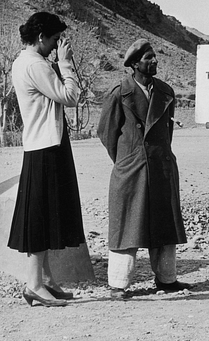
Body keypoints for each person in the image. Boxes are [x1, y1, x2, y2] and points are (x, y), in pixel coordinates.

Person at [98, 39, 192, 299]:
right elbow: (106, 133)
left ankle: (167, 279)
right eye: (148, 58)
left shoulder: (166, 91)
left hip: (161, 166)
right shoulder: (119, 92)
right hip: (131, 169)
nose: (154, 61)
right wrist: (128, 159)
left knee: (165, 224)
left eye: (154, 57)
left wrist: (160, 156)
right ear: (134, 64)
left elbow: (167, 133)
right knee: (127, 225)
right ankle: (118, 284)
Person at [8, 12, 83, 307]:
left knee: (48, 213)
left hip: (42, 143)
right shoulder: (36, 64)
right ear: (41, 37)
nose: (55, 46)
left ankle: (47, 280)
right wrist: (64, 62)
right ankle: (34, 284)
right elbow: (71, 96)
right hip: (46, 146)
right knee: (40, 216)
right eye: (53, 40)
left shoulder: (22, 61)